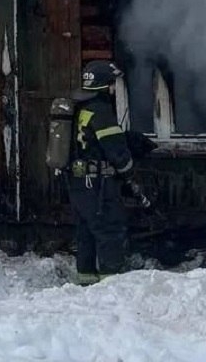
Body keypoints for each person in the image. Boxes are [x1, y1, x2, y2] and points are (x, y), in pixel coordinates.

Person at [67, 59, 150, 286]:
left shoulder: (78, 109)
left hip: (78, 182)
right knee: (109, 232)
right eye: (112, 84)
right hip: (97, 186)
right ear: (104, 86)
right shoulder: (101, 111)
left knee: (86, 232)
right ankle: (109, 287)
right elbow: (116, 150)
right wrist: (129, 173)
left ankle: (86, 280)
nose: (114, 89)